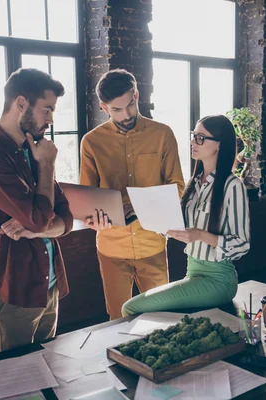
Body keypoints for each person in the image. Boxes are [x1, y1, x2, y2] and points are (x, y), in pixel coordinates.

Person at [0, 68, 73, 353]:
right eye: (47, 110)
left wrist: (38, 229)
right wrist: (47, 166)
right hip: (10, 292)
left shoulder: (31, 151)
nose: (51, 119)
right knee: (13, 388)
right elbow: (39, 217)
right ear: (21, 103)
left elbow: (66, 218)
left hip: (47, 287)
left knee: (49, 375)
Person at [80, 69, 185, 320]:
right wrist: (91, 218)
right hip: (111, 247)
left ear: (136, 95)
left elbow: (178, 187)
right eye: (117, 110)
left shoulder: (163, 134)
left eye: (130, 105)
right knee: (117, 321)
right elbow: (87, 199)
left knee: (162, 320)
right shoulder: (91, 142)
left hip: (153, 243)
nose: (126, 115)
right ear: (104, 107)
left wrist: (139, 207)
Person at [121, 114, 250, 316]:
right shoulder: (195, 182)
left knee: (130, 307)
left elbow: (242, 244)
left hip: (218, 280)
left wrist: (199, 235)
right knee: (142, 309)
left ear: (219, 145)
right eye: (193, 135)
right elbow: (181, 228)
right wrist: (147, 212)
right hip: (193, 272)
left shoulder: (232, 186)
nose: (193, 142)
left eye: (201, 138)